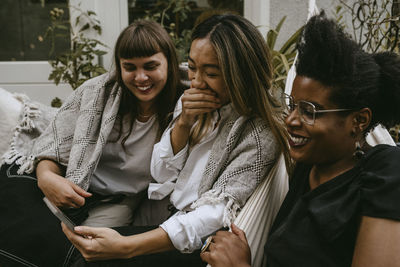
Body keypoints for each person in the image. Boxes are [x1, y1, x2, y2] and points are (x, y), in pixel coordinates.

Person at [62, 13, 290, 266]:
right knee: (72, 250)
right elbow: (159, 173)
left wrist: (127, 246)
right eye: (192, 67)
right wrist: (183, 124)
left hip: (192, 243)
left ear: (241, 74)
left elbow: (214, 213)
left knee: (83, 260)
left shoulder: (259, 132)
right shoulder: (191, 102)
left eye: (211, 73)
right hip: (161, 218)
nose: (197, 81)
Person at [200, 12, 400, 267]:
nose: (291, 120)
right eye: (292, 105)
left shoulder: (385, 173)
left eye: (309, 111)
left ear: (359, 121)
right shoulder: (308, 166)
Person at [0, 20, 184, 266]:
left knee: (78, 252)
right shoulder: (96, 93)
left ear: (170, 64)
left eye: (151, 66)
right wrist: (48, 178)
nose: (141, 77)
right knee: (16, 224)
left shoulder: (184, 108)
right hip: (68, 182)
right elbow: (53, 145)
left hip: (117, 201)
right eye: (129, 67)